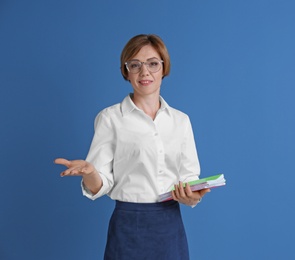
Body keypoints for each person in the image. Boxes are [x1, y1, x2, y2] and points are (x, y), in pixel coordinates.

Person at [55, 34, 210, 260]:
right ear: (126, 71)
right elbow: (101, 185)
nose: (144, 72)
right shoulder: (110, 118)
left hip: (170, 225)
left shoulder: (181, 121)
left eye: (153, 64)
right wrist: (90, 172)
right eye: (135, 65)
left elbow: (188, 178)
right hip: (128, 225)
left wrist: (192, 197)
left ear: (164, 68)